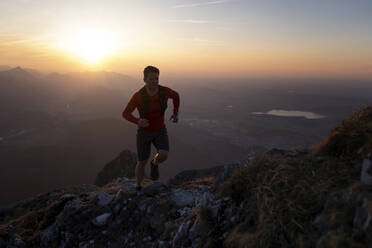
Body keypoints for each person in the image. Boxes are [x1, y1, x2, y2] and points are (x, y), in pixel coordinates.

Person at [122, 65, 180, 191]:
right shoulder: (138, 96)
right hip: (144, 132)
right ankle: (138, 186)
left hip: (160, 130)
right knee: (142, 161)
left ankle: (154, 163)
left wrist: (175, 113)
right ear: (144, 79)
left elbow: (176, 95)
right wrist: (138, 121)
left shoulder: (164, 92)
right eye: (151, 79)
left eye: (156, 79)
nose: (154, 82)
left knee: (163, 154)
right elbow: (125, 113)